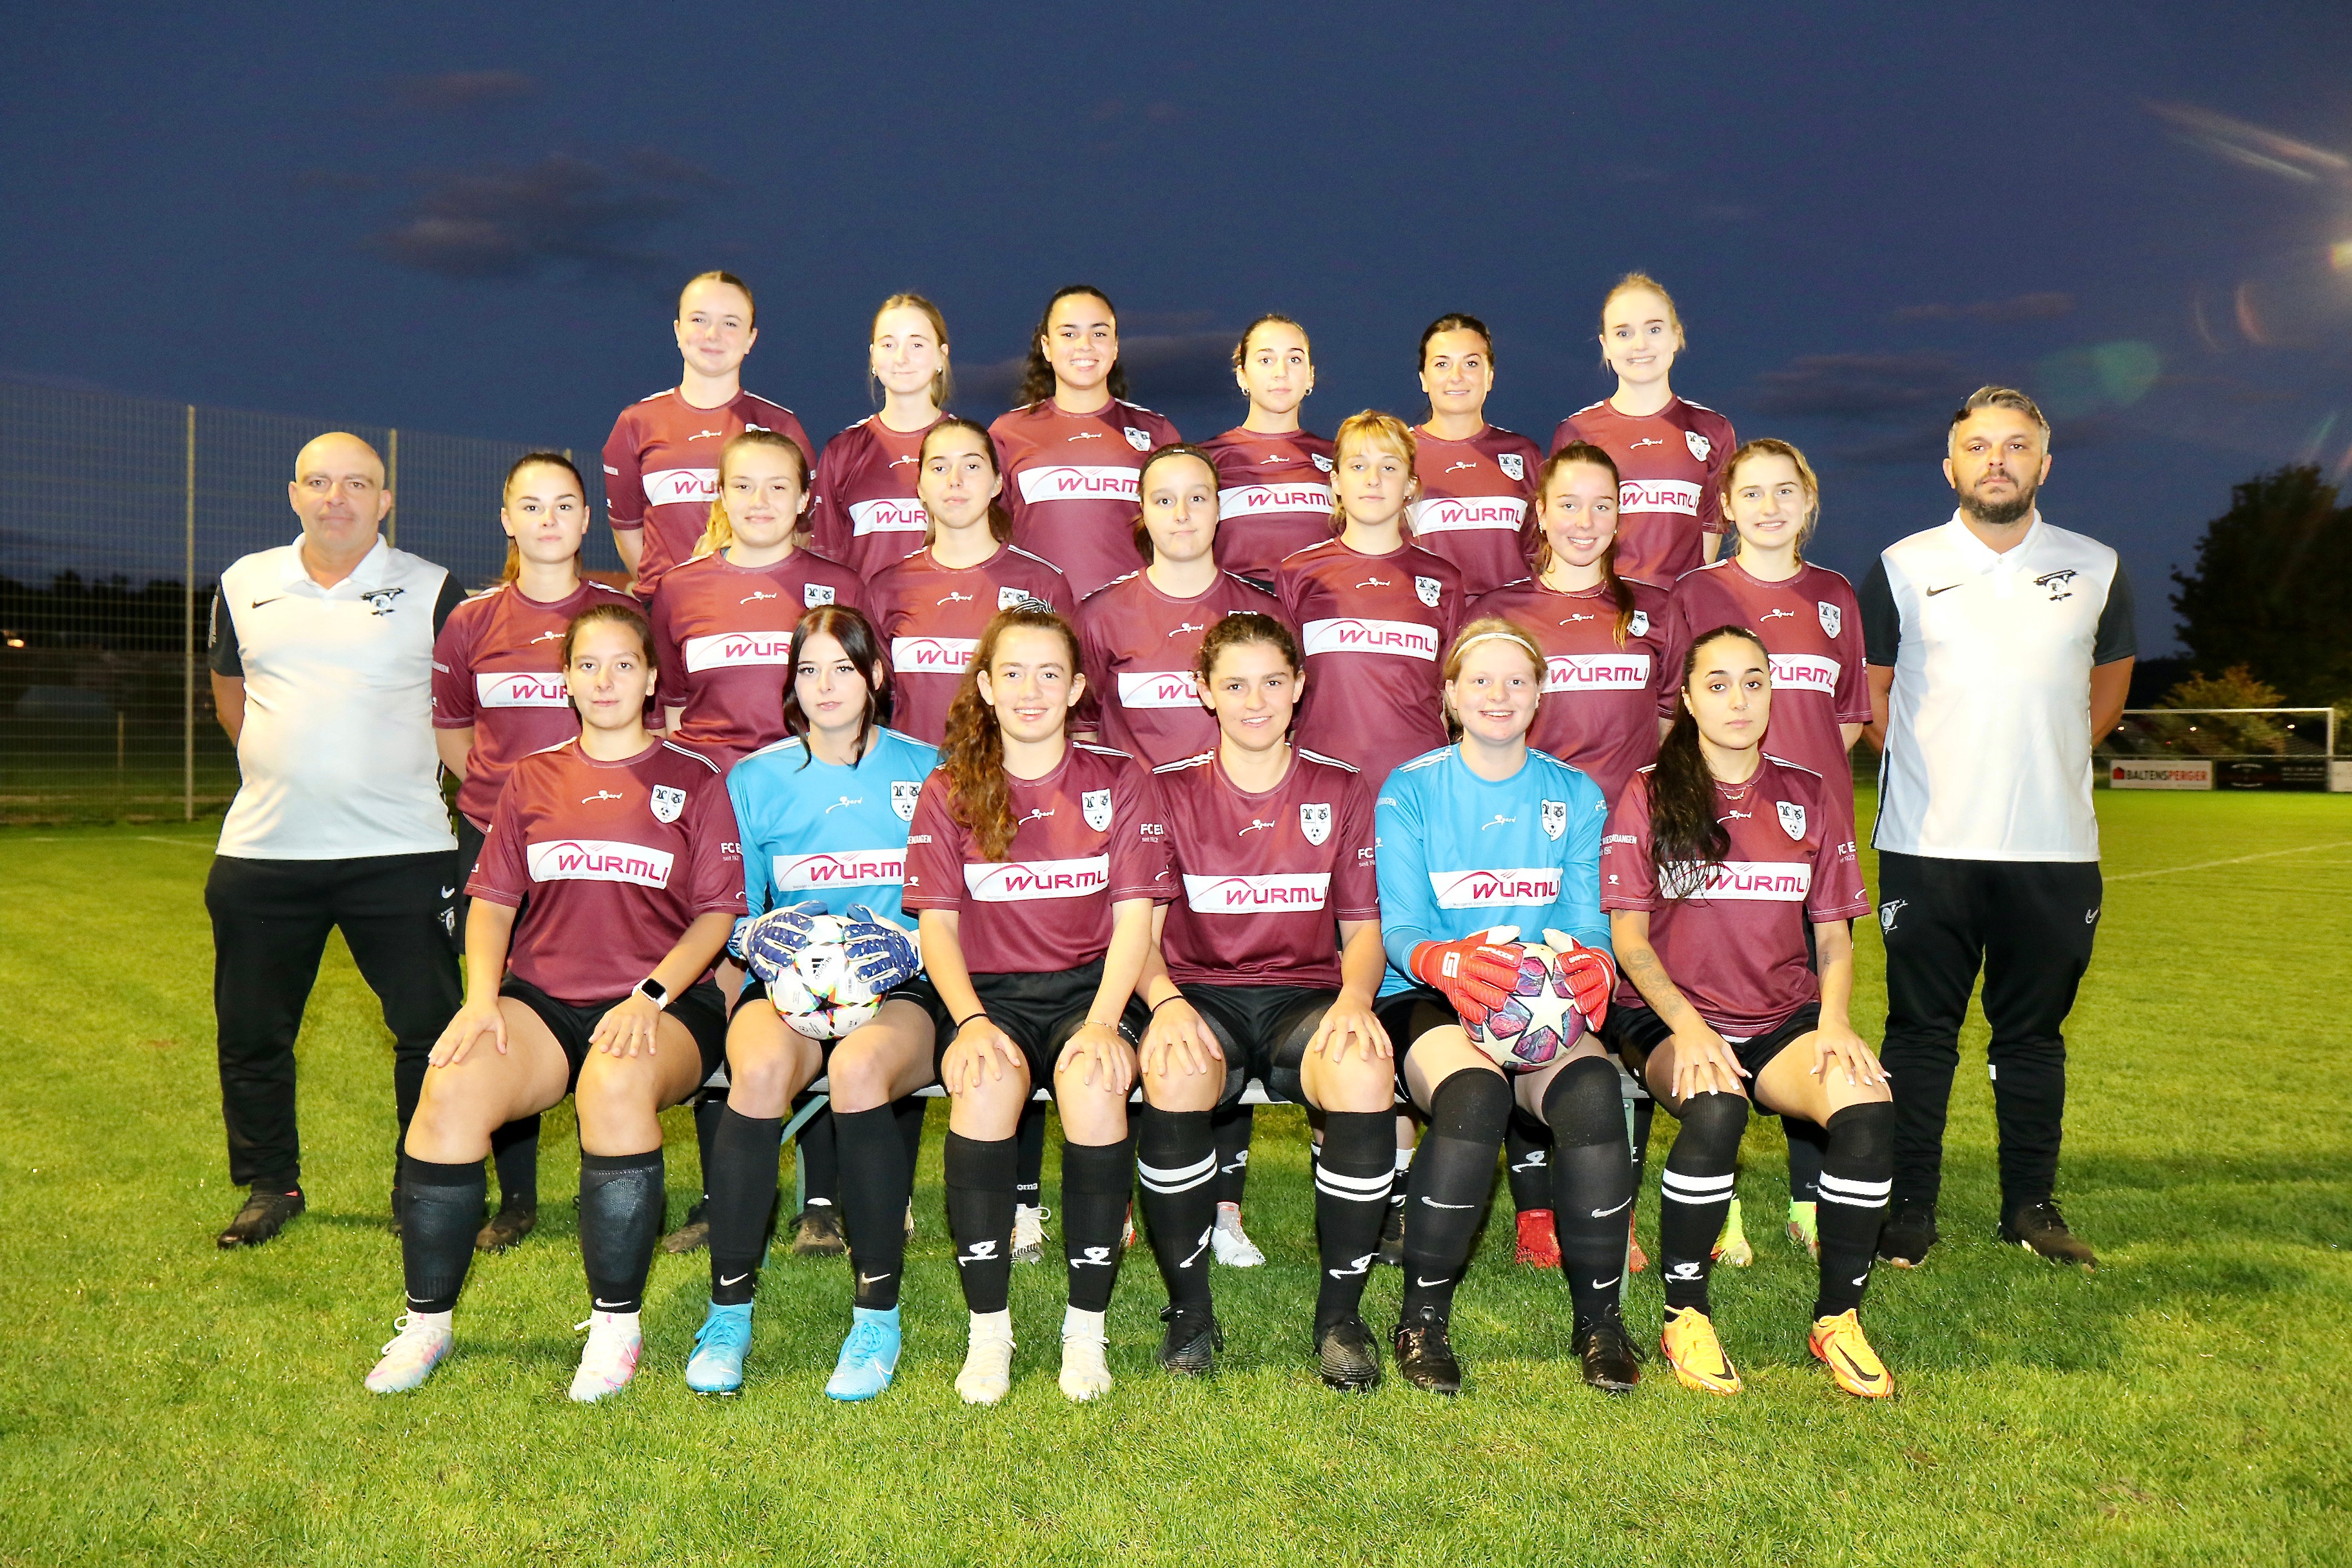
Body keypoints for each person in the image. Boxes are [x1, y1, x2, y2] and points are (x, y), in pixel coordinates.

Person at [366, 602, 744, 1400]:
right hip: (545, 1001)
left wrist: (650, 995)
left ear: (651, 678)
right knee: (451, 1084)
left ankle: (615, 1326)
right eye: (587, 664)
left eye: (623, 664)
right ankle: (427, 1321)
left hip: (667, 1002)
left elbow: (717, 914)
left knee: (614, 1079)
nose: (605, 680)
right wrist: (480, 1002)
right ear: (566, 678)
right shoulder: (532, 777)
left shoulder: (696, 778)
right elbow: (494, 902)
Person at [1861, 386, 2135, 1270]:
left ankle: (2030, 1207)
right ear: (1950, 466)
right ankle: (1910, 1207)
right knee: (1919, 1032)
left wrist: (2042, 759)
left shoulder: (2096, 565)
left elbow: (2108, 688)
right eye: (1979, 446)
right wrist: (1941, 770)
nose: (1997, 461)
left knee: (2033, 1035)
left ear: (2043, 464)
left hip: (2053, 848)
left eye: (2016, 446)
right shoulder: (1902, 564)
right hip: (1928, 844)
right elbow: (1872, 695)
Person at [1598, 624, 1895, 1398]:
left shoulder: (1808, 793)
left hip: (1780, 1017)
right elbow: (1628, 939)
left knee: (1867, 1106)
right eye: (1719, 683)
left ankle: (1838, 1317)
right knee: (1717, 1105)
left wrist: (1835, 1021)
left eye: (1754, 682)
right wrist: (1689, 1026)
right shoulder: (1649, 790)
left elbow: (1834, 936)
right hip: (1666, 1016)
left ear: (1772, 694)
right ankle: (1685, 1314)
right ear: (1689, 700)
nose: (1739, 699)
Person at [899, 605, 1174, 1404]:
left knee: (1095, 1084)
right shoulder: (950, 787)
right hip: (990, 996)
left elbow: (1135, 923)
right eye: (1012, 672)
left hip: (1092, 989)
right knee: (984, 1084)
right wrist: (970, 1022)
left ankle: (1085, 1330)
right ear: (986, 686)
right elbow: (937, 928)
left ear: (1077, 687)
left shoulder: (1120, 778)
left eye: (1049, 673)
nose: (1031, 689)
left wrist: (1103, 1023)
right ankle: (989, 1330)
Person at [206, 432, 466, 1250]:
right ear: (294, 494)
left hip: (402, 849)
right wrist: (292, 773)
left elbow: (460, 708)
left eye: (357, 483)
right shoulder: (244, 582)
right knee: (253, 1032)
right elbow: (230, 695)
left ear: (384, 499)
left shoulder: (432, 588)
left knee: (430, 1030)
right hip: (265, 852)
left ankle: (421, 1180)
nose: (336, 497)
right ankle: (269, 1184)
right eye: (319, 481)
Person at [685, 606, 944, 1401]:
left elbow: (963, 899)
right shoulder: (753, 779)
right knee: (759, 1069)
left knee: (861, 1070)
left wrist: (914, 944)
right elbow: (732, 908)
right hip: (788, 986)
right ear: (791, 683)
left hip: (899, 983)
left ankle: (876, 1320)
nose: (825, 685)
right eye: (808, 669)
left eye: (843, 668)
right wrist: (754, 935)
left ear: (876, 676)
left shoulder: (929, 768)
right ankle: (727, 1315)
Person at [1371, 618, 1633, 1395]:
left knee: (1593, 1092)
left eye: (1516, 680)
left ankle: (1599, 1320)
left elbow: (1586, 921)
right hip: (1429, 994)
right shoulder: (1410, 789)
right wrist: (1448, 963)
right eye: (1480, 679)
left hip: (1537, 1001)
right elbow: (1401, 929)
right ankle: (1422, 1318)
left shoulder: (1574, 793)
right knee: (1474, 1094)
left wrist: (1595, 963)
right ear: (1451, 695)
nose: (1499, 694)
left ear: (1539, 694)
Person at [1132, 612, 1390, 1384]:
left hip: (1302, 999)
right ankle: (1189, 1313)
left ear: (1299, 685)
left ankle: (1340, 1317)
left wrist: (1355, 997)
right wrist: (1165, 1002)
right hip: (1199, 996)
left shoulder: (1338, 785)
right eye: (1236, 684)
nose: (1255, 700)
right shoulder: (1166, 788)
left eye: (1273, 681)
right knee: (1175, 1069)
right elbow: (1139, 935)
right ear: (1204, 691)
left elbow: (1364, 930)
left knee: (1363, 1069)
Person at [1657, 438, 1870, 1262]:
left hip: (1805, 839)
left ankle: (1808, 1203)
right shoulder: (1698, 590)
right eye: (1752, 492)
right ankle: (1725, 1202)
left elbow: (1845, 719)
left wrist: (1796, 801)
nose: (1770, 506)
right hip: (1719, 838)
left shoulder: (1835, 594)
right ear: (1727, 506)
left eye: (1786, 491)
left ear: (1808, 502)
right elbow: (1673, 712)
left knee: (1806, 1011)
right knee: (1714, 1007)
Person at [1470, 442, 1672, 1271]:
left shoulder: (1653, 610)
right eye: (1569, 504)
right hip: (1530, 842)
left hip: (1625, 845)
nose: (1585, 521)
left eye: (1602, 505)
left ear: (1620, 517)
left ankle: (1611, 1202)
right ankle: (1534, 1211)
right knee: (1529, 1002)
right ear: (1541, 512)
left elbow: (1666, 726)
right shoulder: (1501, 607)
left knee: (1619, 1012)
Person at [430, 451, 637, 1251]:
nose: (548, 520)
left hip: (599, 843)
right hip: (497, 841)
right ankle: (516, 1197)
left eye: (564, 505)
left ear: (587, 520)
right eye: (531, 505)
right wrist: (508, 807)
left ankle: (606, 1169)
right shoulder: (471, 621)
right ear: (506, 519)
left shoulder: (623, 613)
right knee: (505, 1002)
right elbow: (453, 728)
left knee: (595, 995)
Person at [1276, 410, 1467, 788]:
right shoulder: (1298, 573)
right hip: (1322, 787)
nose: (1373, 479)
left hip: (1420, 786)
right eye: (1358, 465)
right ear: (1336, 481)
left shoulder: (1444, 580)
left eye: (1389, 467)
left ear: (1410, 484)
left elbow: (1456, 696)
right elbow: (1278, 687)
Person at [650, 429, 866, 761]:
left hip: (805, 778)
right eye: (743, 486)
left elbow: (865, 704)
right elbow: (673, 707)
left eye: (777, 487)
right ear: (722, 495)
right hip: (709, 782)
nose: (759, 502)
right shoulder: (677, 588)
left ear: (803, 499)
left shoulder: (843, 588)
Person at [603, 270, 814, 598]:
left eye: (730, 323)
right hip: (666, 610)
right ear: (678, 330)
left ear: (751, 338)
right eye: (699, 320)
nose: (713, 335)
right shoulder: (636, 423)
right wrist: (669, 595)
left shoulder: (781, 426)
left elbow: (803, 531)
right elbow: (628, 532)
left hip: (756, 605)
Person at [868, 417, 1075, 745]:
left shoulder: (1042, 584)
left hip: (1010, 773)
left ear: (997, 483)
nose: (955, 481)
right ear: (920, 488)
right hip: (918, 773)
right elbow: (874, 704)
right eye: (939, 468)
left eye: (972, 466)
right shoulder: (887, 588)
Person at [1077, 442, 1280, 769]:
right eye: (1164, 501)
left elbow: (1288, 731)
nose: (1182, 514)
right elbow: (1082, 733)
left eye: (1197, 498)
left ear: (1218, 508)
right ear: (1143, 510)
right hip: (1135, 802)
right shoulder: (1099, 617)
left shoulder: (1267, 614)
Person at [989, 284, 1181, 598]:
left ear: (1115, 346)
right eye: (1069, 334)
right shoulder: (1007, 433)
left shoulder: (1157, 432)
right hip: (1040, 618)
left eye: (1099, 333)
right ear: (1047, 347)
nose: (1085, 345)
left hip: (1132, 618)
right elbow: (990, 541)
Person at [1552, 273, 1737, 589]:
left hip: (1678, 609)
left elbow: (1709, 534)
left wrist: (1689, 603)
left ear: (1676, 336)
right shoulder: (1576, 432)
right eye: (1623, 333)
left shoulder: (1713, 431)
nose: (1640, 345)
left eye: (1654, 329)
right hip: (1604, 606)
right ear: (1606, 345)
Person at [807, 294, 953, 582]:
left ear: (941, 355)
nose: (901, 358)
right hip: (866, 612)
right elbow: (826, 561)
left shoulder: (971, 447)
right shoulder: (843, 451)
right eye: (889, 345)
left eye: (916, 344)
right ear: (873, 357)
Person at [1405, 313, 1544, 597]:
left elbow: (1542, 554)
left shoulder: (1523, 454)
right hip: (1429, 620)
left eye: (1471, 364)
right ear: (1424, 379)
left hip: (1511, 619)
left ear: (1489, 376)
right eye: (1442, 364)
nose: (1456, 377)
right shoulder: (1396, 455)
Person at [1200, 315, 1334, 585]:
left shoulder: (1340, 459)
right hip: (1236, 608)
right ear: (1242, 376)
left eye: (1294, 359)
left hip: (1321, 606)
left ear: (1310, 376)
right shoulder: (1207, 460)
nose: (1281, 372)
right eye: (1266, 360)